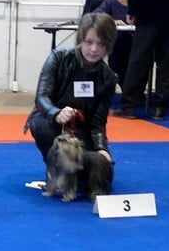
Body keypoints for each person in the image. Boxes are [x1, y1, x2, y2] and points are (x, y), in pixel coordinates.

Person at [24, 12, 118, 190]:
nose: (94, 49)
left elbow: (98, 122)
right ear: (81, 39)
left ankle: (72, 172)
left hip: (82, 127)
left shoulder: (109, 78)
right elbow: (41, 97)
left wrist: (102, 149)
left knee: (95, 176)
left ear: (108, 46)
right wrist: (56, 113)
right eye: (89, 41)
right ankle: (54, 167)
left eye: (101, 44)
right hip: (52, 121)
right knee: (41, 124)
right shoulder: (58, 58)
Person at [95, 0, 132, 89]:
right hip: (118, 43)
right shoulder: (110, 2)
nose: (123, 3)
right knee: (116, 67)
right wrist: (112, 21)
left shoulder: (139, 0)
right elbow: (96, 15)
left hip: (136, 43)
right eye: (119, 0)